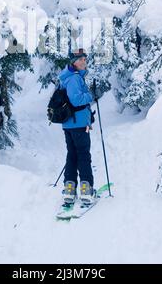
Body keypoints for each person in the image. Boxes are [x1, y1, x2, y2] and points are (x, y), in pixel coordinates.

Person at [58, 49, 96, 205]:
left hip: (70, 124)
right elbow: (76, 100)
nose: (83, 62)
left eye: (84, 59)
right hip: (78, 124)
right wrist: (91, 95)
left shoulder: (68, 77)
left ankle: (69, 189)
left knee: (72, 155)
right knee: (83, 155)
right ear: (73, 62)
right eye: (79, 59)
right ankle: (86, 190)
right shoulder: (74, 79)